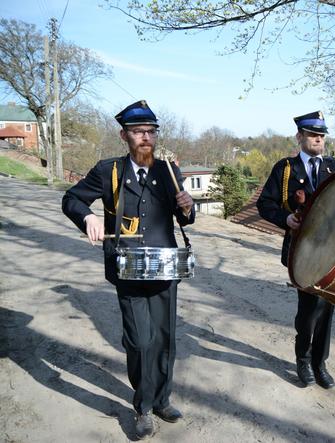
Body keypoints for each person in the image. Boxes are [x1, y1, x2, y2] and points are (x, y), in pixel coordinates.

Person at [62, 100, 195, 439]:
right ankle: (144, 406)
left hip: (165, 268)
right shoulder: (109, 171)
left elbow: (185, 218)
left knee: (165, 340)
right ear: (125, 135)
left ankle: (163, 400)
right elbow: (71, 199)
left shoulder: (168, 171)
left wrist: (189, 207)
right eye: (138, 132)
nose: (146, 137)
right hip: (128, 269)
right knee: (140, 341)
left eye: (150, 131)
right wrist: (88, 216)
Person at [257, 111, 335, 389]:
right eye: (313, 134)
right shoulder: (285, 170)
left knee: (327, 308)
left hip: (332, 250)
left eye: (322, 135)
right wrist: (285, 219)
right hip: (301, 250)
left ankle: (320, 363)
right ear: (300, 137)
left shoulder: (334, 166)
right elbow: (265, 204)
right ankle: (303, 360)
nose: (319, 139)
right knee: (308, 311)